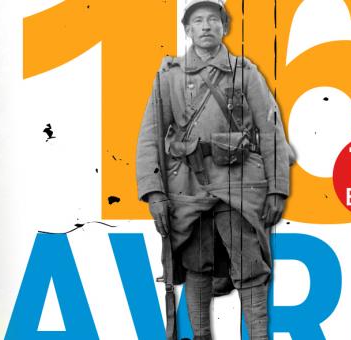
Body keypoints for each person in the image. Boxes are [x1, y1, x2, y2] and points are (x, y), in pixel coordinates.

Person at [136, 1, 294, 338]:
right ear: (188, 30)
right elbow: (150, 135)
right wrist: (154, 193)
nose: (206, 26)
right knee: (196, 267)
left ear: (224, 27)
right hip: (189, 188)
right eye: (198, 21)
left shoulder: (245, 72)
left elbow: (271, 130)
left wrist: (278, 187)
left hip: (240, 186)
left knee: (250, 269)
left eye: (213, 19)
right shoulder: (169, 76)